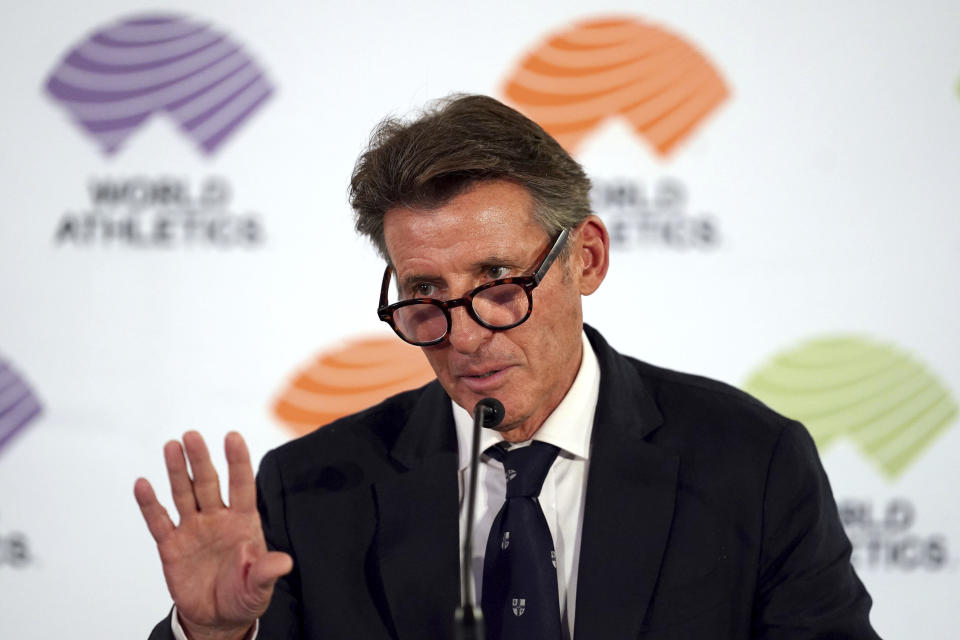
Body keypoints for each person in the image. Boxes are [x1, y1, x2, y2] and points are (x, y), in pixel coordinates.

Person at [136, 94, 881, 640]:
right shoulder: (312, 487)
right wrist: (211, 635)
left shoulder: (748, 461)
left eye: (498, 283)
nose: (464, 337)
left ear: (585, 258)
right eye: (425, 294)